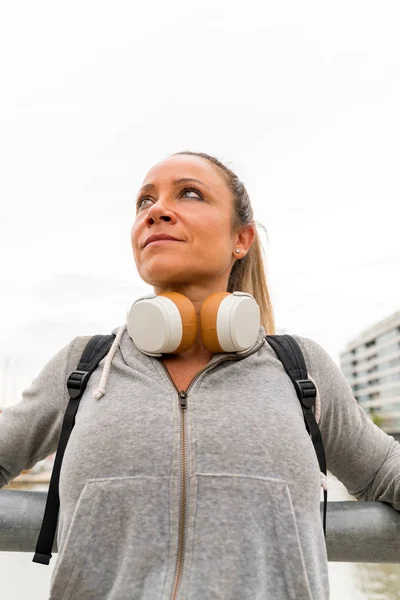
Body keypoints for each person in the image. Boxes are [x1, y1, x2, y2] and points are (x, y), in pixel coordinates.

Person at [0, 150, 399, 600]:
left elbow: (386, 470)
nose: (156, 211)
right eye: (144, 201)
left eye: (189, 193)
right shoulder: (82, 364)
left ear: (241, 239)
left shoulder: (302, 369)